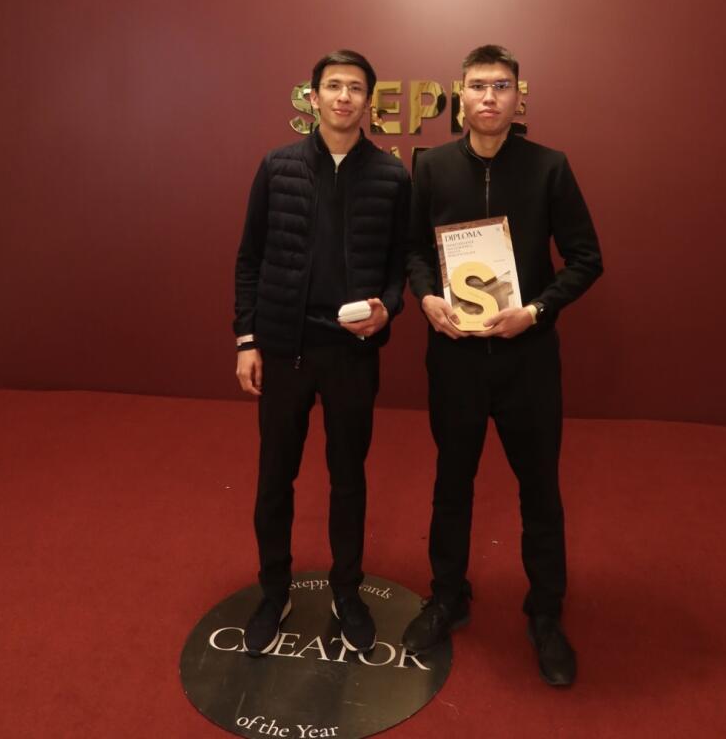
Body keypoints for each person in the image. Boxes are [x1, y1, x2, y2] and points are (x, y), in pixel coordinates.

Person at [402, 44, 602, 686]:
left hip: (527, 359)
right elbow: (412, 251)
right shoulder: (431, 166)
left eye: (502, 85)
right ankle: (447, 596)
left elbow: (586, 259)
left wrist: (536, 311)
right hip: (455, 359)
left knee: (539, 488)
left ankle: (545, 613)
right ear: (459, 95)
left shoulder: (550, 167)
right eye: (478, 85)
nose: (489, 96)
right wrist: (426, 297)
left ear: (519, 96)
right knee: (451, 482)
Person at [233, 49, 410, 658]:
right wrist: (247, 340)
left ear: (369, 101)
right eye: (333, 86)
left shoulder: (391, 177)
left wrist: (389, 308)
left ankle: (347, 591)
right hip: (284, 349)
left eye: (355, 88)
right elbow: (249, 259)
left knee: (348, 477)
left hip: (351, 353)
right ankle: (273, 590)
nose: (343, 97)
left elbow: (399, 267)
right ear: (312, 97)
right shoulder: (277, 166)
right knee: (274, 478)